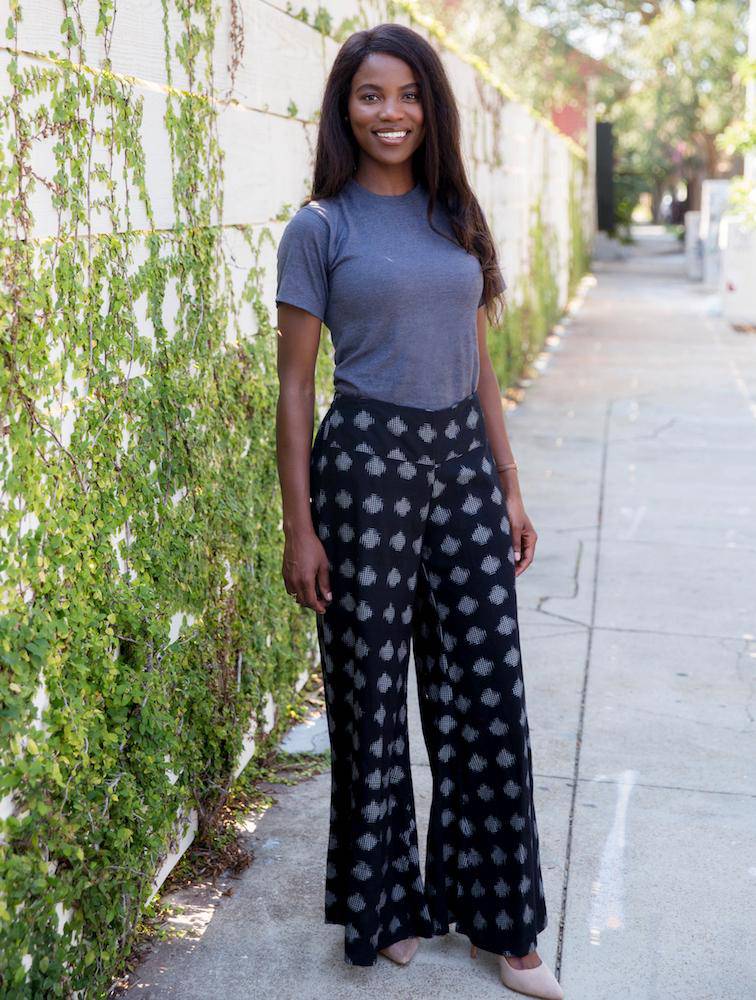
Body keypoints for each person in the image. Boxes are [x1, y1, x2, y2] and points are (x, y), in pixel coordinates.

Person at [274, 22, 563, 1000]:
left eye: (406, 95)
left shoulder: (455, 214)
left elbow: (478, 359)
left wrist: (508, 482)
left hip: (462, 466)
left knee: (488, 696)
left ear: (430, 108)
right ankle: (387, 907)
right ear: (345, 109)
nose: (389, 112)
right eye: (370, 95)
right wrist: (300, 527)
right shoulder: (321, 228)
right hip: (365, 468)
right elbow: (295, 387)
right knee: (368, 701)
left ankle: (507, 926)